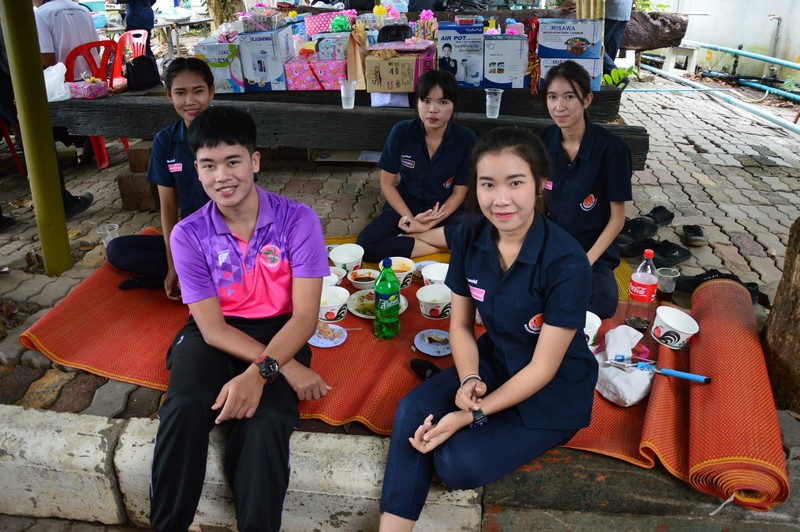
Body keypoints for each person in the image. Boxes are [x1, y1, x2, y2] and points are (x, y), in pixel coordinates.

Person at [379, 126, 596, 530]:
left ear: (540, 184)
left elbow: (543, 368)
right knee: (411, 410)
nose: (500, 199)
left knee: (455, 462)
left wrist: (469, 415)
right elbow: (460, 326)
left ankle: (477, 417)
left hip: (552, 394)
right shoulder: (469, 236)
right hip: (494, 365)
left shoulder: (566, 262)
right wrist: (469, 378)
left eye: (515, 182)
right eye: (487, 184)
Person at [149, 105, 332, 531]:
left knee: (265, 425)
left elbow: (305, 318)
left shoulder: (298, 220)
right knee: (184, 408)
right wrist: (283, 368)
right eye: (209, 165)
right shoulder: (188, 233)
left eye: (233, 161)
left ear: (255, 161)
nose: (222, 177)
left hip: (281, 330)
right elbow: (212, 327)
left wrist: (259, 374)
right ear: (196, 169)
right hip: (213, 334)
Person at [106, 58, 215, 296]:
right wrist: (173, 262)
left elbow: (246, 197)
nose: (190, 101)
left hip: (230, 236)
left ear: (211, 91)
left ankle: (201, 275)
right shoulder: (165, 141)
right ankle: (192, 274)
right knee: (116, 249)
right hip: (190, 237)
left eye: (198, 91)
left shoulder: (229, 135)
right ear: (169, 96)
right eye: (180, 93)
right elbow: (167, 206)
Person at [541, 60, 632, 319]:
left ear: (587, 100)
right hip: (552, 241)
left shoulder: (612, 150)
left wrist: (584, 262)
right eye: (552, 97)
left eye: (569, 96)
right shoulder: (544, 140)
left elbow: (617, 220)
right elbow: (538, 200)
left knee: (602, 301)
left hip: (592, 249)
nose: (559, 106)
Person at [356, 70, 476, 263]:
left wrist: (424, 226)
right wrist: (411, 219)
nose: (432, 109)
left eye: (442, 102)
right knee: (365, 245)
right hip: (405, 205)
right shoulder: (401, 132)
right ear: (417, 102)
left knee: (478, 231)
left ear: (454, 105)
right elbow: (387, 184)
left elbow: (459, 193)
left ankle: (410, 239)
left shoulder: (466, 139)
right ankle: (441, 244)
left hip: (444, 210)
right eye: (426, 101)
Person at [603, 0, 633, 75]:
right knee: (610, 51)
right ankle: (610, 78)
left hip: (610, 10)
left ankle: (619, 76)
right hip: (624, 11)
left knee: (596, 46)